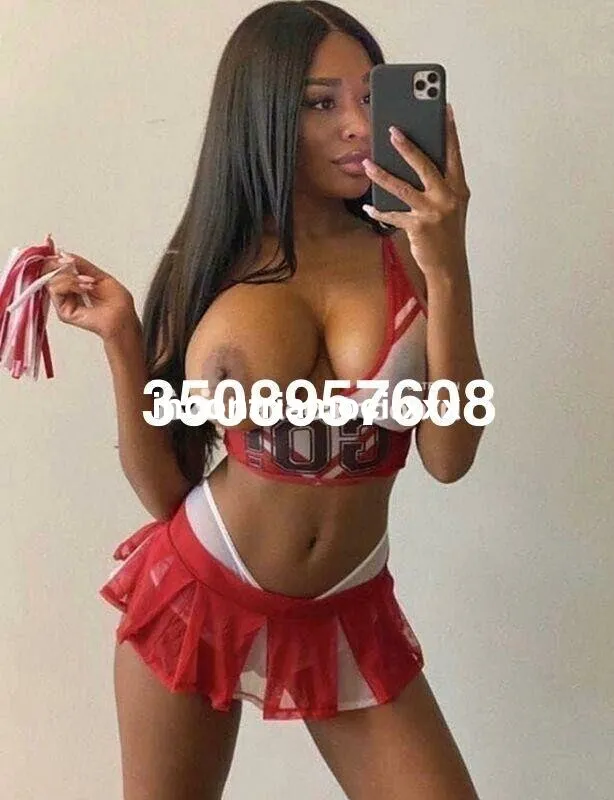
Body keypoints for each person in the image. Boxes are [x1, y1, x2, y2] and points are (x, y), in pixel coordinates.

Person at [42, 2, 484, 797]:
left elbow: (450, 456)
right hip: (197, 588)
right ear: (263, 115)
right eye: (320, 103)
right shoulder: (210, 263)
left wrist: (447, 263)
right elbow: (168, 492)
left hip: (349, 610)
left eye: (369, 95)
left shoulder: (412, 256)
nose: (357, 125)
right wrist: (122, 341)